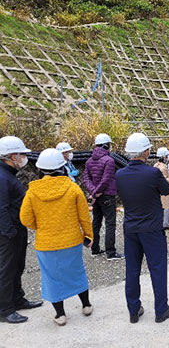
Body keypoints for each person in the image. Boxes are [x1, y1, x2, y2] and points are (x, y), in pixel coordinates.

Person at [20, 149, 94, 326]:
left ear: (40, 169)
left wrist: (41, 227)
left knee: (51, 278)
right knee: (77, 272)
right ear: (62, 167)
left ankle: (60, 315)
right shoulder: (72, 188)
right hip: (72, 240)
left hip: (46, 243)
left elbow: (25, 218)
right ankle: (86, 305)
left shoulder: (32, 192)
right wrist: (88, 235)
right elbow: (84, 215)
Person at [116, 133, 169, 324]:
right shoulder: (152, 173)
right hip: (151, 228)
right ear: (145, 151)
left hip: (131, 228)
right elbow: (166, 191)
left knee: (132, 270)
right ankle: (161, 310)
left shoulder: (119, 175)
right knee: (157, 268)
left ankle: (133, 310)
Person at [0, 136, 43, 324]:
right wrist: (8, 232)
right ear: (11, 156)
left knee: (18, 266)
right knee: (6, 270)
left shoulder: (8, 174)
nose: (24, 158)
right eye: (21, 154)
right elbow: (0, 207)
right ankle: (5, 309)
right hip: (8, 232)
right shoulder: (2, 177)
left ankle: (17, 299)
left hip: (16, 229)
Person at [83, 133, 123, 260]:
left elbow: (86, 178)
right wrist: (97, 191)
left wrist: (93, 192)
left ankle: (95, 249)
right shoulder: (109, 160)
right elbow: (106, 179)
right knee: (110, 223)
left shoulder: (89, 161)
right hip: (107, 195)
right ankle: (110, 252)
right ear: (107, 145)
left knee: (96, 222)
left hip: (96, 197)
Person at [154, 147, 169, 229]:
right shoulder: (163, 168)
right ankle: (165, 224)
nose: (168, 157)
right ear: (163, 157)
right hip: (164, 191)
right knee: (167, 207)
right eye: (167, 155)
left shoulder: (156, 165)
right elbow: (165, 181)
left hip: (157, 191)